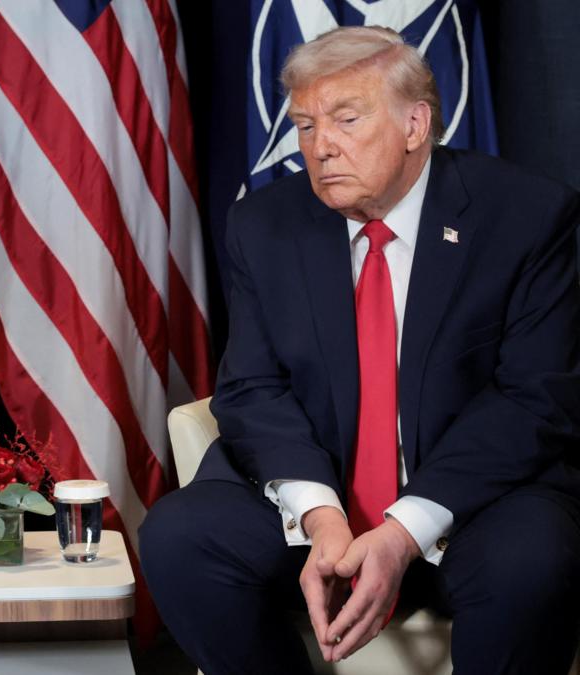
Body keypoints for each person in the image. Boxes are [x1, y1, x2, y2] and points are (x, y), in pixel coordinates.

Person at [140, 25, 580, 674]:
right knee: (178, 537)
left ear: (414, 124)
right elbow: (252, 388)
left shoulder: (527, 216)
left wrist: (403, 530)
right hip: (324, 504)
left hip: (472, 503)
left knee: (532, 558)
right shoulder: (265, 225)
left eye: (346, 119)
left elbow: (533, 398)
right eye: (307, 125)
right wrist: (321, 517)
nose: (322, 147)